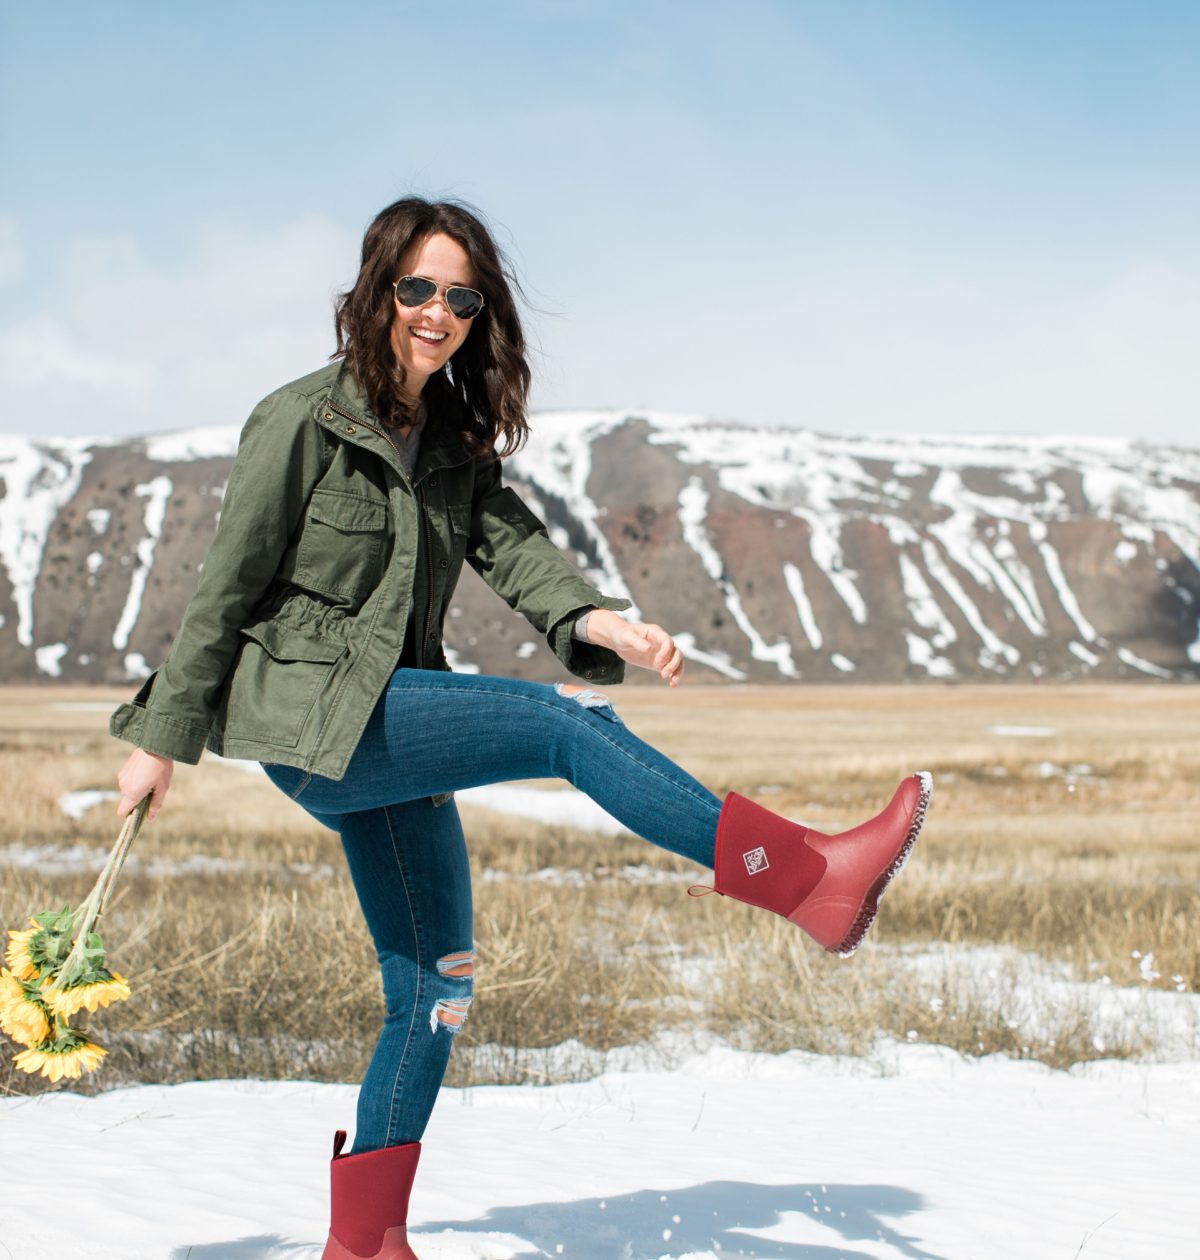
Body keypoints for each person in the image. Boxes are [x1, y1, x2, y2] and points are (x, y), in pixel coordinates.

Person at [111, 196, 932, 1260]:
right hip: (317, 717)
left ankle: (363, 1244)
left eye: (460, 296)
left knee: (435, 984)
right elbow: (225, 588)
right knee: (563, 727)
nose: (436, 313)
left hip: (385, 715)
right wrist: (159, 742)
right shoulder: (299, 418)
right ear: (377, 290)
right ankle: (808, 873)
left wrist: (602, 623)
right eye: (417, 289)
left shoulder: (448, 440)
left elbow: (517, 554)